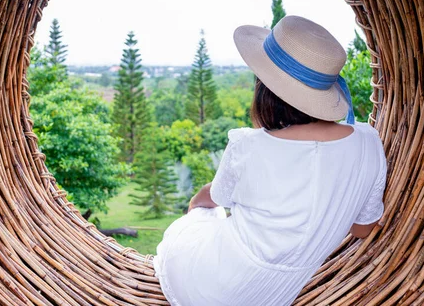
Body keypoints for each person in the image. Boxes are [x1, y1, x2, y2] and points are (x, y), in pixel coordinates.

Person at [153, 16, 387, 305]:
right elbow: (363, 228)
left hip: (209, 286)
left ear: (264, 88)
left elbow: (216, 197)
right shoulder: (368, 143)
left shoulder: (248, 145)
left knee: (197, 219)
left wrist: (196, 204)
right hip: (272, 295)